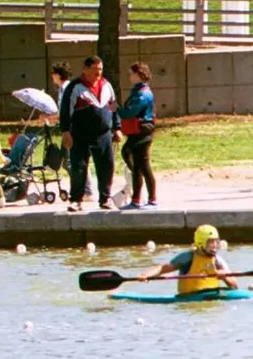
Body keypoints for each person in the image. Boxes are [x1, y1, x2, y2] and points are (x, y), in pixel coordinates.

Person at [60, 55, 119, 211]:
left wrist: (117, 128)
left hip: (103, 134)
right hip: (80, 134)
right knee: (79, 166)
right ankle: (76, 200)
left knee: (107, 165)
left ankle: (105, 198)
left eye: (100, 69)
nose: (98, 73)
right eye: (95, 69)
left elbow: (113, 106)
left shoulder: (107, 85)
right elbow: (65, 110)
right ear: (85, 69)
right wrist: (65, 131)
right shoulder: (74, 87)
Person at [138, 225, 237, 296]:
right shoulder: (187, 257)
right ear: (200, 243)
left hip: (213, 296)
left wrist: (225, 277)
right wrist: (145, 275)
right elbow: (162, 268)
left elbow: (234, 286)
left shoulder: (218, 260)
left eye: (217, 242)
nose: (215, 246)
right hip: (189, 296)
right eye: (211, 242)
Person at [118, 61, 157, 208]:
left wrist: (117, 109)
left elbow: (130, 112)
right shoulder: (139, 92)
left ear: (139, 74)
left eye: (131, 74)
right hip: (138, 132)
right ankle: (139, 199)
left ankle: (148, 199)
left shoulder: (143, 94)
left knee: (142, 166)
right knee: (137, 165)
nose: (129, 77)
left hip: (141, 132)